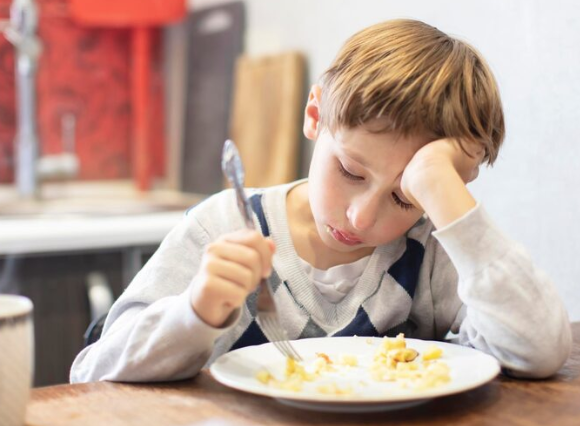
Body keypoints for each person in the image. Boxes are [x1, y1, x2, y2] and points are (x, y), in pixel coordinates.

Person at [70, 19, 571, 383]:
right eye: (351, 171)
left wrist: (446, 198)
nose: (362, 216)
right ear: (315, 114)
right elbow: (92, 374)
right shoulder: (223, 226)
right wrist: (196, 313)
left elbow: (542, 349)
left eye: (405, 197)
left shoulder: (433, 251)